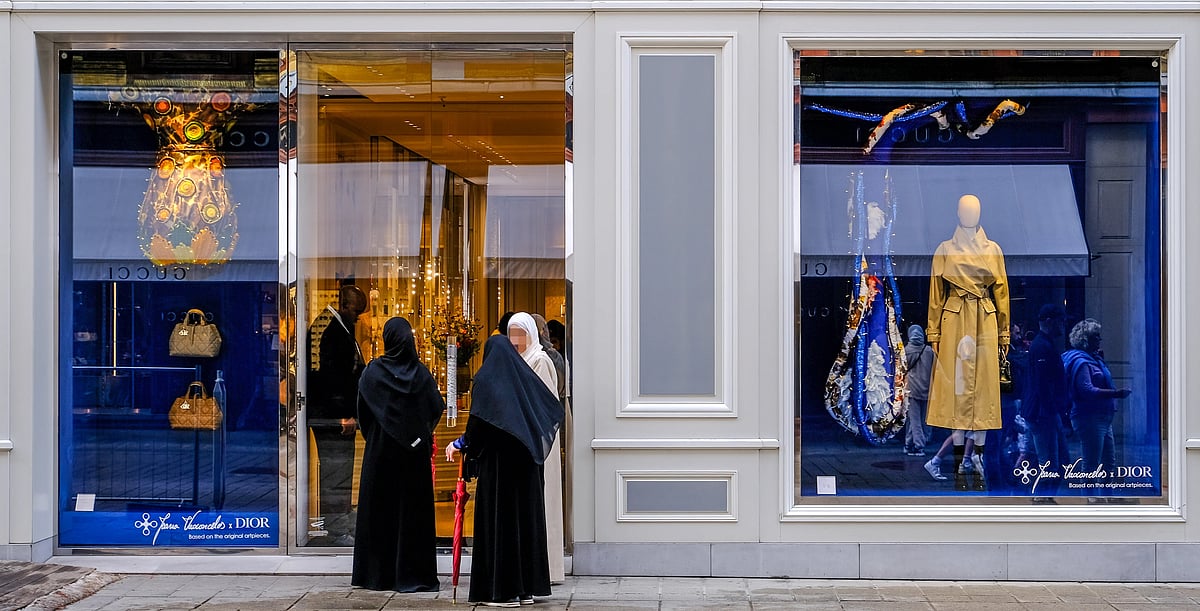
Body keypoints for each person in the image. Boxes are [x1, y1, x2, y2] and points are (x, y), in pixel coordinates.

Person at [445, 335, 563, 607]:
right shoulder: (522, 379)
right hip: (526, 468)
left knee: (500, 526)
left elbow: (479, 426)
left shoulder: (487, 381)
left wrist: (461, 444)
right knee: (523, 525)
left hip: (499, 470)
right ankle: (525, 590)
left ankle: (502, 592)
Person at [352, 317, 445, 592]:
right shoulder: (421, 374)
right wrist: (418, 434)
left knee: (380, 513)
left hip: (380, 454)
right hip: (413, 457)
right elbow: (435, 407)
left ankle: (377, 575)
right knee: (412, 515)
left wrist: (378, 436)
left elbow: (363, 414)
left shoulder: (373, 373)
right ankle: (414, 575)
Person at [926, 194, 1010, 492]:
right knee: (959, 391)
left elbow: (1002, 292)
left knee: (985, 390)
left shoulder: (993, 250)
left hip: (983, 318)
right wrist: (933, 333)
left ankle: (978, 460)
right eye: (964, 210)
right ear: (957, 213)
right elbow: (936, 294)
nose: (969, 215)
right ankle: (961, 464)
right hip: (956, 317)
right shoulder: (945, 250)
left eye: (974, 210)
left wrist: (1003, 332)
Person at [307, 284, 368, 544]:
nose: (358, 317)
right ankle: (336, 525)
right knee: (336, 469)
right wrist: (343, 414)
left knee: (340, 468)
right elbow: (330, 377)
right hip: (333, 416)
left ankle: (341, 517)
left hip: (337, 413)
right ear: (345, 305)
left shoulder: (334, 325)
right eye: (356, 311)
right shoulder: (330, 329)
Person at [509, 313, 566, 585]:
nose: (515, 340)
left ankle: (548, 568)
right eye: (512, 334)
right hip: (525, 439)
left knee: (545, 501)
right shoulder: (519, 361)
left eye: (521, 334)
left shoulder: (540, 360)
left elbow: (542, 403)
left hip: (540, 439)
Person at [1063, 318, 1131, 503]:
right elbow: (1087, 390)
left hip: (1102, 416)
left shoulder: (1093, 359)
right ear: (1086, 340)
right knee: (1091, 460)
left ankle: (1108, 495)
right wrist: (1116, 393)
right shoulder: (1082, 362)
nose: (1100, 340)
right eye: (1096, 337)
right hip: (1089, 417)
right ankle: (1091, 496)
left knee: (1109, 460)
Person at [1021, 305, 1070, 503]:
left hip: (1045, 412)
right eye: (1060, 320)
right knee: (1050, 462)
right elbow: (1043, 384)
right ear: (1049, 321)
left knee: (1055, 461)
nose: (1063, 325)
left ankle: (1044, 498)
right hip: (1043, 413)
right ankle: (1042, 499)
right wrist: (1054, 410)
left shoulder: (1043, 344)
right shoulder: (1042, 346)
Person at [903, 325, 935, 456]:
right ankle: (908, 444)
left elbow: (902, 369)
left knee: (914, 419)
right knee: (923, 419)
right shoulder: (929, 350)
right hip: (927, 388)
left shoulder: (906, 350)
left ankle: (918, 446)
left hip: (912, 389)